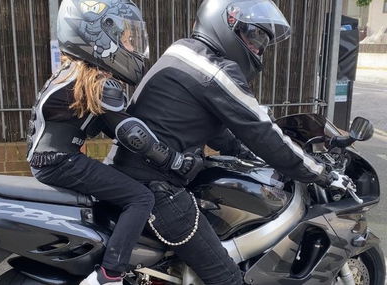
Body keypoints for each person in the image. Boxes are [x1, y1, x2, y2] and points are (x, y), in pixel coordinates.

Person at [107, 0, 353, 284]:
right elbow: (261, 129)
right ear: (227, 24)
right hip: (160, 192)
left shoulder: (183, 53)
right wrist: (320, 173)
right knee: (227, 278)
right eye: (254, 36)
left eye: (263, 42)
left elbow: (211, 127)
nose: (258, 48)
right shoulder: (212, 69)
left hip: (132, 177)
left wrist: (244, 152)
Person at [26, 1, 201, 285]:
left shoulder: (74, 74)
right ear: (98, 36)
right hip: (60, 162)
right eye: (127, 39)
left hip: (50, 160)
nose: (132, 46)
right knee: (140, 197)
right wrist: (174, 160)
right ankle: (110, 274)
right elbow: (133, 134)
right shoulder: (98, 82)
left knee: (118, 187)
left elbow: (110, 126)